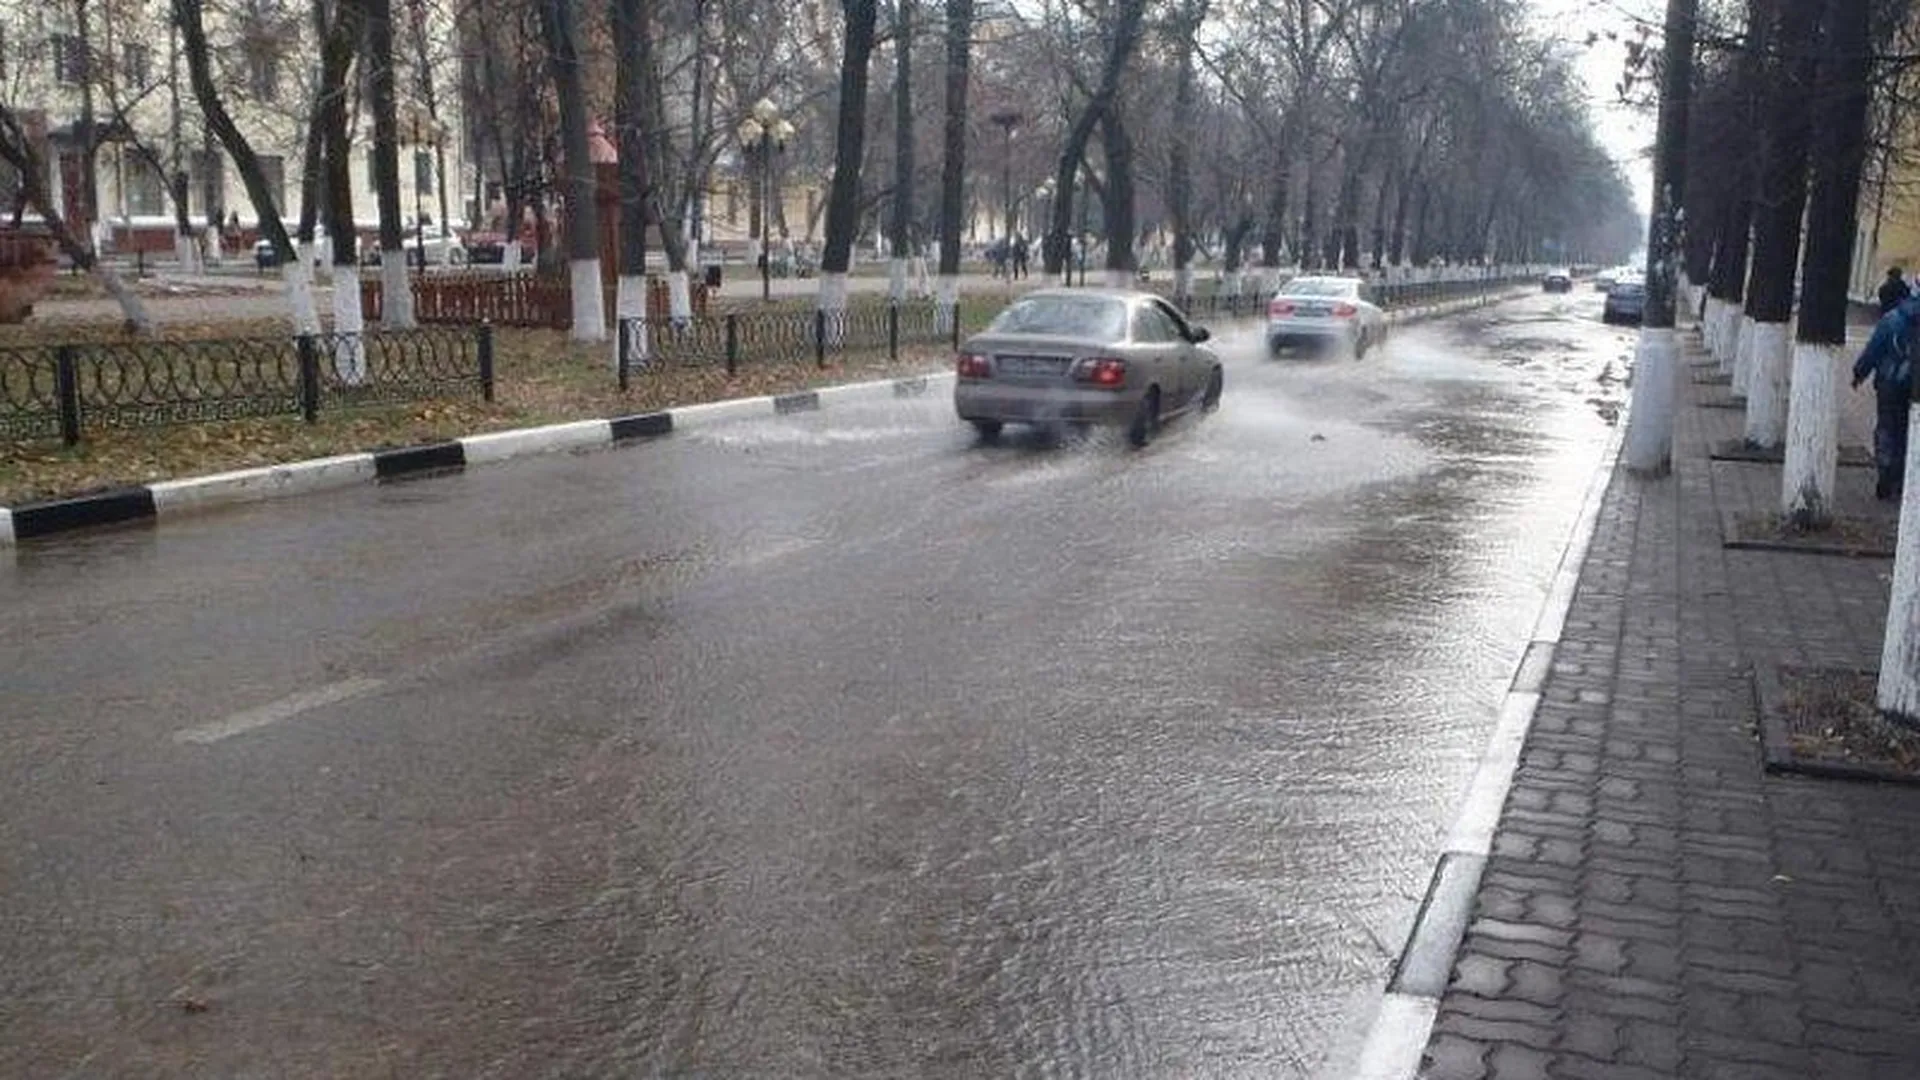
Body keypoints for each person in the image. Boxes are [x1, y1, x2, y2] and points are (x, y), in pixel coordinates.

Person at [1852, 292, 1919, 499]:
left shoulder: (1893, 318)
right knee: (1912, 433)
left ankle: (1886, 473)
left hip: (1890, 384)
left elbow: (1874, 349)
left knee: (1888, 428)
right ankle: (1906, 479)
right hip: (1916, 387)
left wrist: (1859, 373)